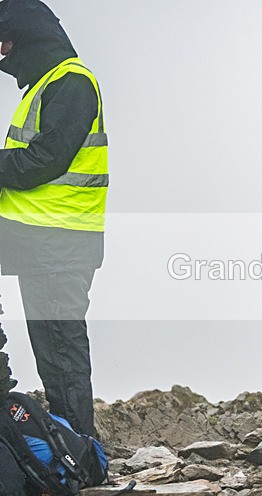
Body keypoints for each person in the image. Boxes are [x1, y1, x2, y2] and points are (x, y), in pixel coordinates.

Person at [0, 0, 108, 437]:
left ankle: (80, 457)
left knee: (61, 356)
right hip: (43, 244)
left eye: (5, 39)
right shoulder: (48, 84)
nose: (3, 50)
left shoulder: (71, 83)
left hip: (60, 245)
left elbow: (44, 161)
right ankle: (72, 454)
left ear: (27, 36)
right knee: (53, 356)